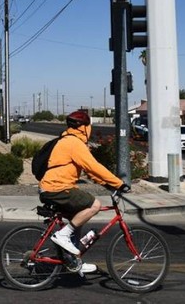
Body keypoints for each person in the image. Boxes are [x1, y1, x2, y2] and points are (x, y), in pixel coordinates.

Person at [38, 109, 130, 274]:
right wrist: (119, 184)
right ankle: (62, 236)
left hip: (53, 186)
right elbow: (93, 166)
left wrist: (107, 184)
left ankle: (74, 260)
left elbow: (91, 172)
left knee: (78, 216)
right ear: (84, 128)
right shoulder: (74, 143)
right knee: (94, 205)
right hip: (57, 187)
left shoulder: (68, 139)